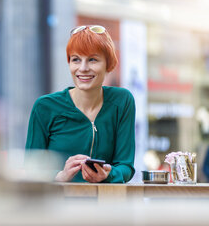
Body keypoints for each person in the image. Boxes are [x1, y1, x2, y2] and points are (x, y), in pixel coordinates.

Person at [25, 25, 135, 183]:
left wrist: (108, 175)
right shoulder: (45, 107)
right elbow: (31, 170)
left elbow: (126, 165)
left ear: (108, 64)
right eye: (76, 59)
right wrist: (60, 176)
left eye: (92, 60)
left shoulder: (122, 101)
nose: (83, 68)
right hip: (57, 205)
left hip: (105, 205)